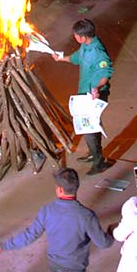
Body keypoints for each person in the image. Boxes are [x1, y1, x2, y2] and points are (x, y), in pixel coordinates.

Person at [0, 167, 114, 272]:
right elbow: (103, 243)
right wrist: (112, 231)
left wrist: (4, 246)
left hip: (56, 266)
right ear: (76, 187)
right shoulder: (86, 216)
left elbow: (28, 235)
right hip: (73, 271)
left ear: (59, 190)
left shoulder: (47, 210)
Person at [52, 19, 114, 175]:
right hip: (84, 91)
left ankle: (99, 163)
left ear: (83, 37)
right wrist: (61, 58)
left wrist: (97, 88)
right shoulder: (86, 46)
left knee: (89, 127)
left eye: (75, 35)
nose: (74, 37)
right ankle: (94, 154)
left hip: (94, 95)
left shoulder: (98, 52)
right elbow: (76, 58)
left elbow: (105, 74)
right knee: (91, 125)